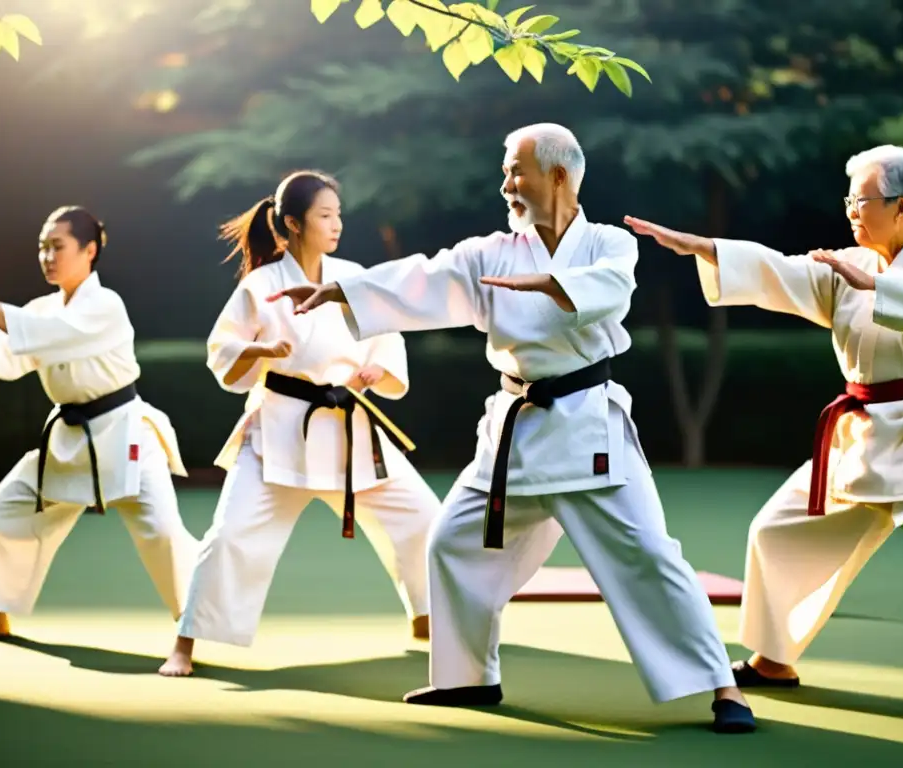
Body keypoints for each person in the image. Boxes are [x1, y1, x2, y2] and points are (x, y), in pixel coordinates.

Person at [267, 125, 757, 733]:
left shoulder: (610, 245)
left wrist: (552, 284)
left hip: (588, 429)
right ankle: (468, 679)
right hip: (513, 437)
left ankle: (723, 688)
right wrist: (345, 288)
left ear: (557, 176)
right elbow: (427, 277)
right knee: (451, 542)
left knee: (650, 556)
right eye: (505, 171)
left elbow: (608, 293)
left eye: (515, 171)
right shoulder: (491, 252)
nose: (506, 184)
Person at [624, 144, 903, 732]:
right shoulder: (848, 264)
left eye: (861, 200)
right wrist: (704, 248)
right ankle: (773, 660)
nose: (850, 210)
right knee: (775, 528)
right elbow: (781, 271)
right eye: (849, 199)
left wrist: (867, 283)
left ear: (899, 208)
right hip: (860, 434)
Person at [158, 170, 440, 677]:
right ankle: (185, 643)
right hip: (280, 430)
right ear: (292, 223)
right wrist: (260, 350)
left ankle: (427, 615)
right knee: (230, 535)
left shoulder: (352, 276)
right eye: (324, 216)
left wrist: (378, 368)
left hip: (347, 428)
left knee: (422, 515)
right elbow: (222, 351)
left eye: (338, 215)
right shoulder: (262, 284)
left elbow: (385, 335)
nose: (336, 225)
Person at [0, 206, 198, 637]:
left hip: (124, 435)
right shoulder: (43, 308)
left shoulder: (105, 304)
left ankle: (193, 621)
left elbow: (48, 332)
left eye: (58, 246)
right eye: (42, 247)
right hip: (69, 441)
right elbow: (10, 356)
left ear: (89, 250)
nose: (47, 256)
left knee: (162, 533)